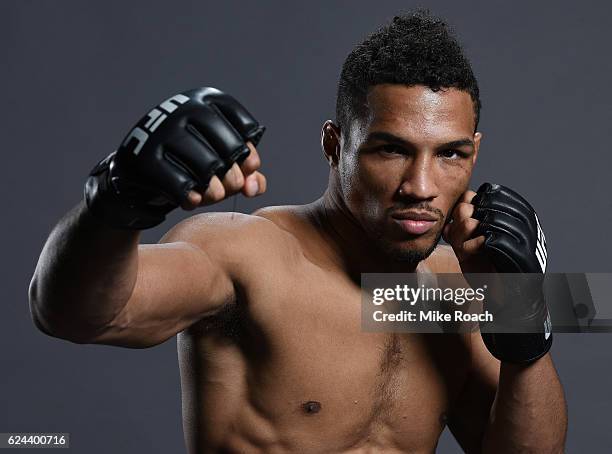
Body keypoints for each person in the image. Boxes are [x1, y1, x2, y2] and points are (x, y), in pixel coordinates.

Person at [29, 10, 567, 453]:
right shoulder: (244, 253)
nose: (421, 186)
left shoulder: (457, 288)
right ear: (335, 145)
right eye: (391, 149)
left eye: (451, 153)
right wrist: (117, 202)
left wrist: (524, 318)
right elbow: (74, 315)